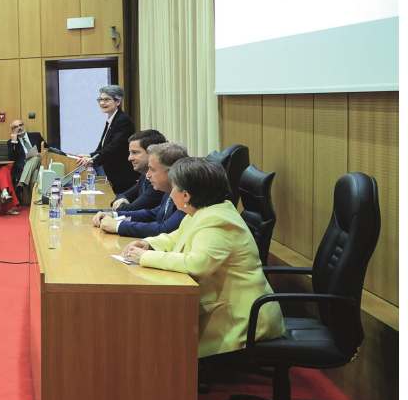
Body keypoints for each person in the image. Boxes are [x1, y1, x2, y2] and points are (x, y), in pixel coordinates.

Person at [121, 157, 285, 360]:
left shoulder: (216, 220)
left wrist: (146, 257)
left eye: (173, 188)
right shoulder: (206, 211)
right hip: (221, 302)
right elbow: (178, 237)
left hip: (241, 316)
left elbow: (196, 265)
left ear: (186, 195)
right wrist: (149, 243)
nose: (171, 194)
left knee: (161, 335)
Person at [94, 141, 188, 239]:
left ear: (169, 172)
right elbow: (152, 214)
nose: (147, 175)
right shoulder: (170, 191)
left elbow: (165, 230)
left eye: (152, 169)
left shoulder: (188, 195)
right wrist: (113, 215)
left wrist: (118, 226)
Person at [74, 85, 137, 194]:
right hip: (112, 173)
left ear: (118, 102)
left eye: (106, 99)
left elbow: (115, 146)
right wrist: (90, 155)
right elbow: (103, 146)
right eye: (100, 99)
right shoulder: (112, 119)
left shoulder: (123, 120)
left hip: (121, 176)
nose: (102, 103)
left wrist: (94, 159)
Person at [110, 129, 168, 212]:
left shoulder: (158, 181)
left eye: (135, 152)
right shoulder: (144, 176)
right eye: (130, 153)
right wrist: (122, 200)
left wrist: (120, 205)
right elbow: (123, 195)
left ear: (153, 153)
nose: (129, 158)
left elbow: (131, 210)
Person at [6, 119, 44, 185]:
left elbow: (46, 148)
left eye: (20, 125)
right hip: (24, 167)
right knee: (35, 174)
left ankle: (21, 183)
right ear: (13, 130)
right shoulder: (11, 142)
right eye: (16, 127)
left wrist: (41, 154)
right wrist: (14, 142)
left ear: (24, 126)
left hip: (39, 162)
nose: (19, 128)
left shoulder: (36, 136)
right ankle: (33, 195)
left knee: (35, 158)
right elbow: (11, 158)